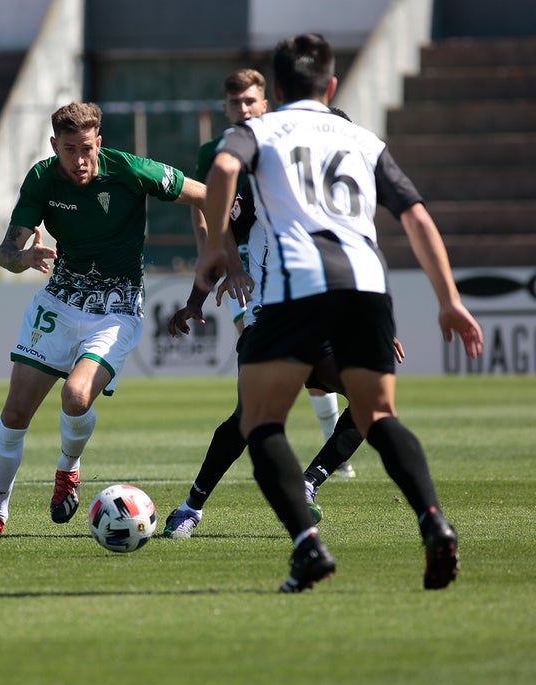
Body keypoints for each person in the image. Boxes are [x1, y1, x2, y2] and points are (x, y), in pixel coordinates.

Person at [195, 34, 483, 592]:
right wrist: (449, 299)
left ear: (277, 91)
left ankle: (307, 546)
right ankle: (433, 521)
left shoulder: (259, 130)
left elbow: (224, 169)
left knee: (261, 422)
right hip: (367, 284)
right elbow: (416, 216)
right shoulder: (362, 138)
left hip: (299, 281)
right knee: (378, 416)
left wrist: (214, 250)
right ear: (330, 86)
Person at [0, 102, 206, 537]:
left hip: (117, 307)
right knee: (15, 412)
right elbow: (4, 254)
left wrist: (222, 251)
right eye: (69, 149)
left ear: (99, 143)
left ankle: (68, 468)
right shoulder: (42, 178)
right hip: (60, 300)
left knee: (75, 397)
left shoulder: (130, 170)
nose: (79, 160)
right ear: (55, 145)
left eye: (87, 149)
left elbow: (205, 195)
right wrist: (23, 258)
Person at [163, 69, 355, 539]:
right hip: (271, 322)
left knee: (373, 398)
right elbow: (219, 225)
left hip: (324, 324)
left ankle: (308, 483)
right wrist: (200, 297)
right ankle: (190, 508)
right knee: (246, 420)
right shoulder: (267, 183)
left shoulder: (347, 201)